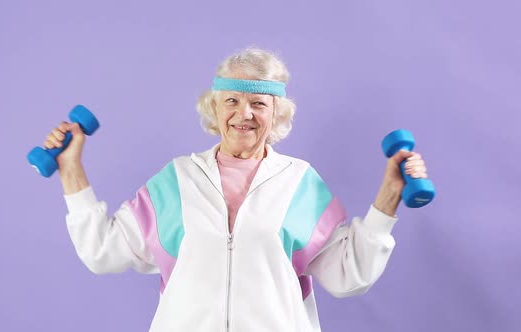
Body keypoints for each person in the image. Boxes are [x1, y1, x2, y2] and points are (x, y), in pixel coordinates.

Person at [44, 48, 429, 331]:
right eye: (232, 100)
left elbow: (349, 274)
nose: (243, 114)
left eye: (258, 103)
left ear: (276, 113)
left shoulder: (299, 182)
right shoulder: (177, 179)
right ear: (215, 108)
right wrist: (70, 170)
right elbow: (102, 251)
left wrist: (389, 197)